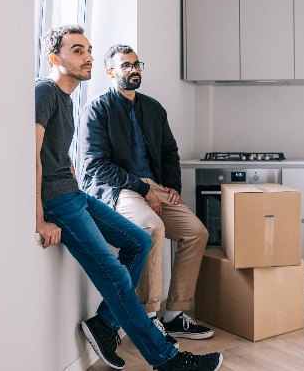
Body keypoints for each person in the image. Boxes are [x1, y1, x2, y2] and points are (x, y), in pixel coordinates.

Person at [35, 25, 222, 371]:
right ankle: (165, 358)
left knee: (138, 240)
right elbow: (32, 158)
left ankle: (105, 323)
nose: (87, 55)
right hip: (71, 199)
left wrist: (167, 185)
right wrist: (38, 219)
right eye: (77, 50)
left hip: (73, 193)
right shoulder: (48, 94)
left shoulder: (67, 97)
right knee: (120, 270)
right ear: (53, 58)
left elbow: (168, 151)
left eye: (88, 49)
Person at [76, 43, 213, 342]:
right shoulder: (97, 108)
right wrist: (140, 187)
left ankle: (175, 313)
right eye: (126, 65)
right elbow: (94, 165)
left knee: (196, 232)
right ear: (110, 72)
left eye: (137, 64)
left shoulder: (153, 107)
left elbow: (168, 151)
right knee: (152, 228)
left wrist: (172, 187)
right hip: (117, 187)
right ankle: (150, 316)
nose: (134, 70)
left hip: (154, 186)